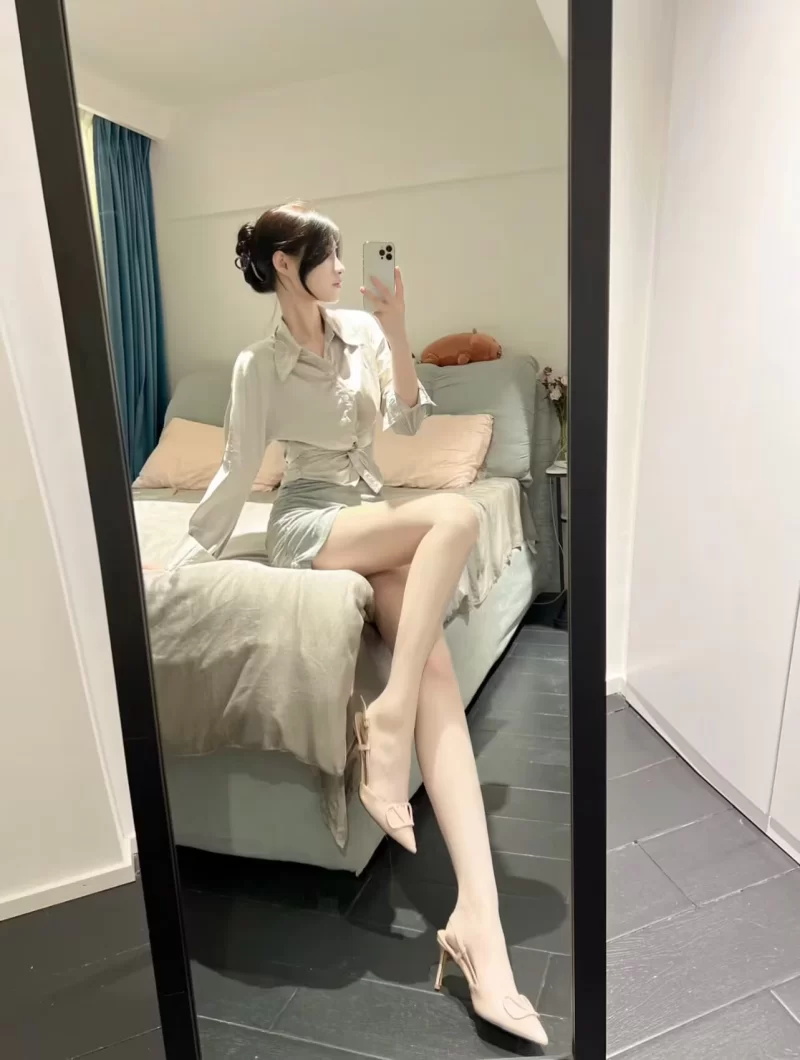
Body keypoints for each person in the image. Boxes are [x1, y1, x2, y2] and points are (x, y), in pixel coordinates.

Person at [169, 201, 548, 1047]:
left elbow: (409, 419)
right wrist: (189, 558)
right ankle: (387, 726)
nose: (342, 268)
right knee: (455, 516)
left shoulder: (365, 336)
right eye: (328, 254)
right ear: (284, 265)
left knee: (431, 662)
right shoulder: (255, 366)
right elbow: (237, 469)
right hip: (309, 522)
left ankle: (478, 928)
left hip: (370, 514)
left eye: (344, 254)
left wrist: (400, 330)